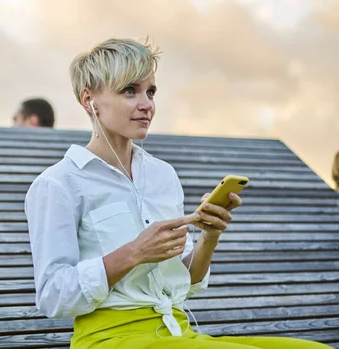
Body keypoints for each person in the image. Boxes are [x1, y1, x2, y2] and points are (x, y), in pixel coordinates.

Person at [24, 38, 330, 348]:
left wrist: (210, 236)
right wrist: (134, 252)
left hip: (177, 332)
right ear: (89, 100)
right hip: (110, 338)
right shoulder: (58, 183)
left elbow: (187, 281)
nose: (147, 104)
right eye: (130, 90)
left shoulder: (162, 176)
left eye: (151, 92)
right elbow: (53, 296)